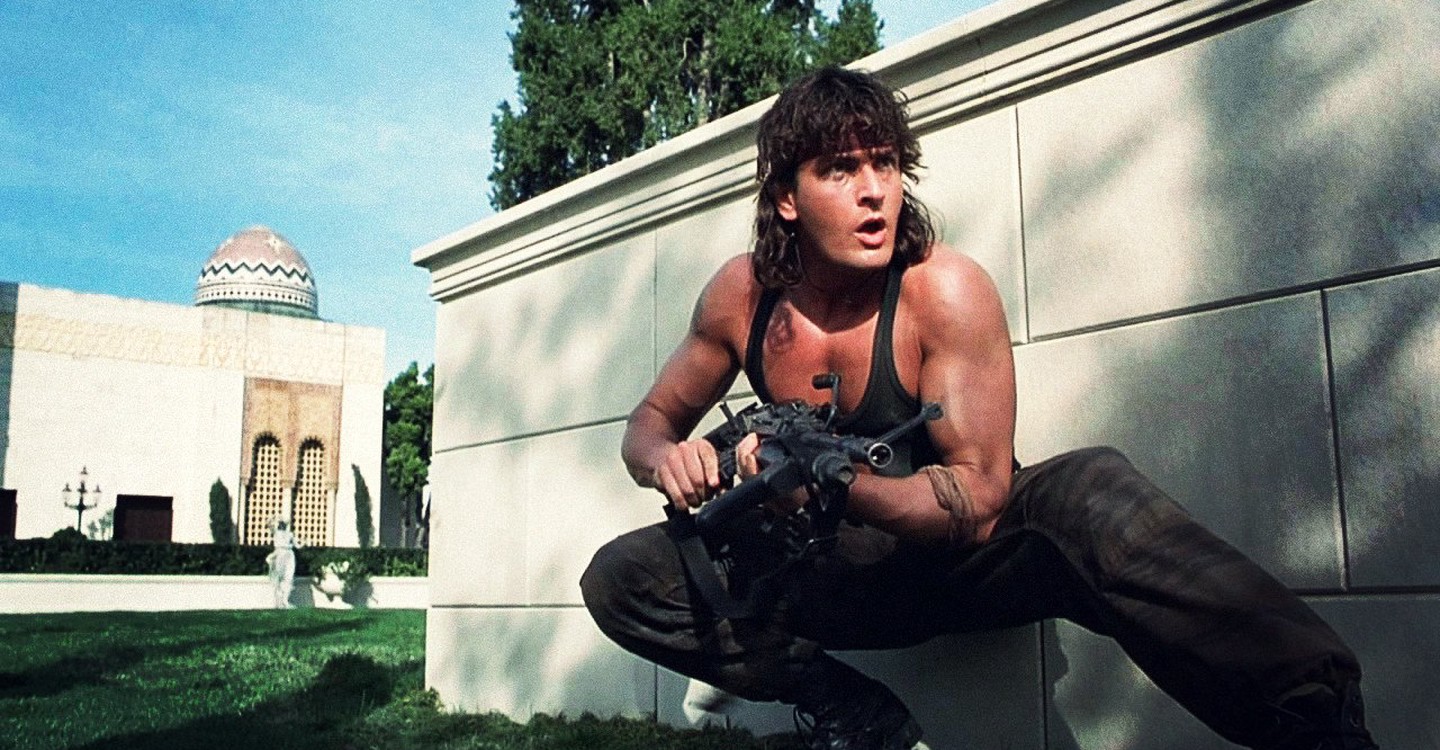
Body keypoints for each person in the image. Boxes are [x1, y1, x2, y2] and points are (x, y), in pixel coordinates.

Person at [580, 66, 1377, 750]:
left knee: (1088, 488)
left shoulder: (942, 290)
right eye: (839, 170)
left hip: (956, 564)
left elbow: (982, 496)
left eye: (885, 163)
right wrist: (670, 461)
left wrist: (837, 486)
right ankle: (846, 709)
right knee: (622, 575)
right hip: (829, 577)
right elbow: (649, 423)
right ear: (787, 197)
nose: (874, 192)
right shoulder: (743, 296)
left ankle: (1318, 721)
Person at [267, 518, 300, 609]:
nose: (282, 525)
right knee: (278, 578)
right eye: (281, 523)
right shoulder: (276, 532)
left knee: (289, 578)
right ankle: (277, 602)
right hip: (279, 553)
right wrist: (271, 519)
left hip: (289, 554)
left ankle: (285, 601)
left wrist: (304, 541)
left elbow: (297, 545)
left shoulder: (290, 534)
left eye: (283, 523)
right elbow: (269, 525)